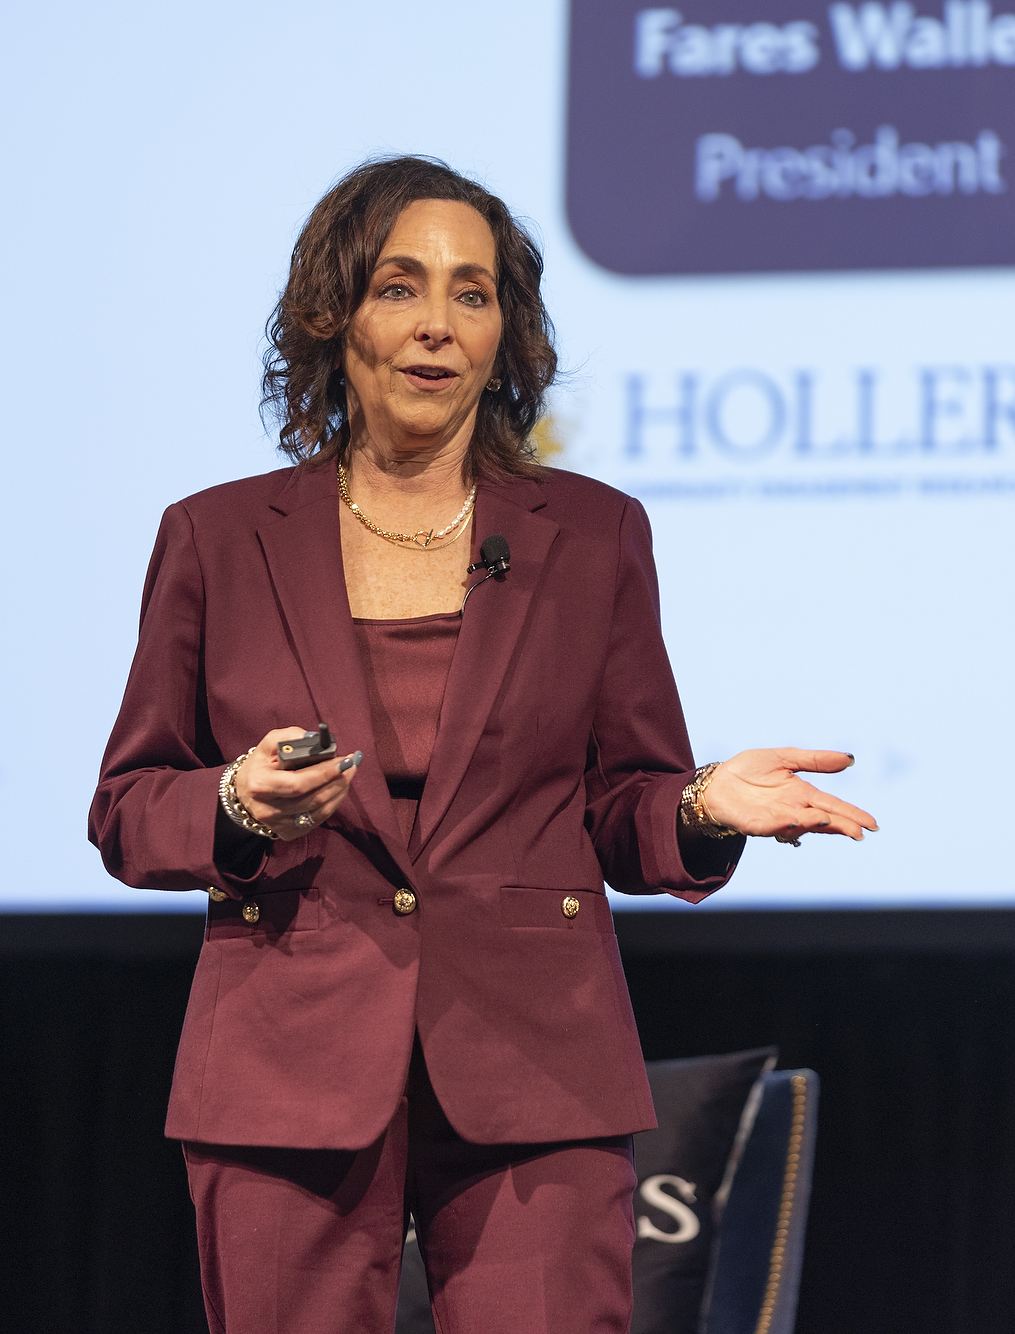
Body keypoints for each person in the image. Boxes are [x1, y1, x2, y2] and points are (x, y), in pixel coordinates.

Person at [88, 156, 877, 1334]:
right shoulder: (214, 537)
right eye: (399, 287)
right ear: (331, 315)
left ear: (505, 335)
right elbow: (127, 805)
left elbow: (625, 803)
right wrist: (239, 805)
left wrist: (703, 805)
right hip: (286, 1056)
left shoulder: (593, 533)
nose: (436, 326)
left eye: (472, 294)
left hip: (534, 1054)